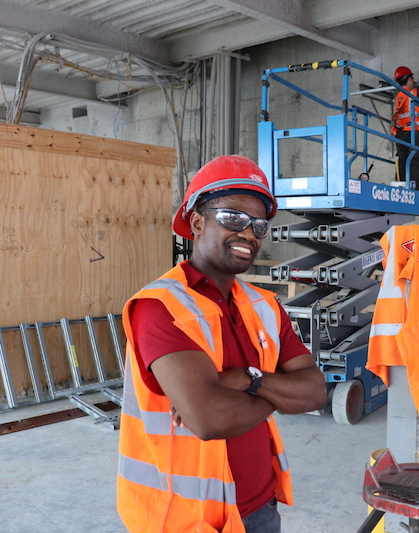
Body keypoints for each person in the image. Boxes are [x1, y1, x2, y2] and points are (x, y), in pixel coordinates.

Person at [116, 155, 328, 533]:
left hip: (261, 507)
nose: (249, 233)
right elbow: (210, 419)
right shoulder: (160, 307)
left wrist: (248, 380)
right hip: (184, 519)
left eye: (259, 225)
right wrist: (276, 393)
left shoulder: (265, 306)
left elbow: (314, 393)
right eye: (234, 218)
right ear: (197, 222)